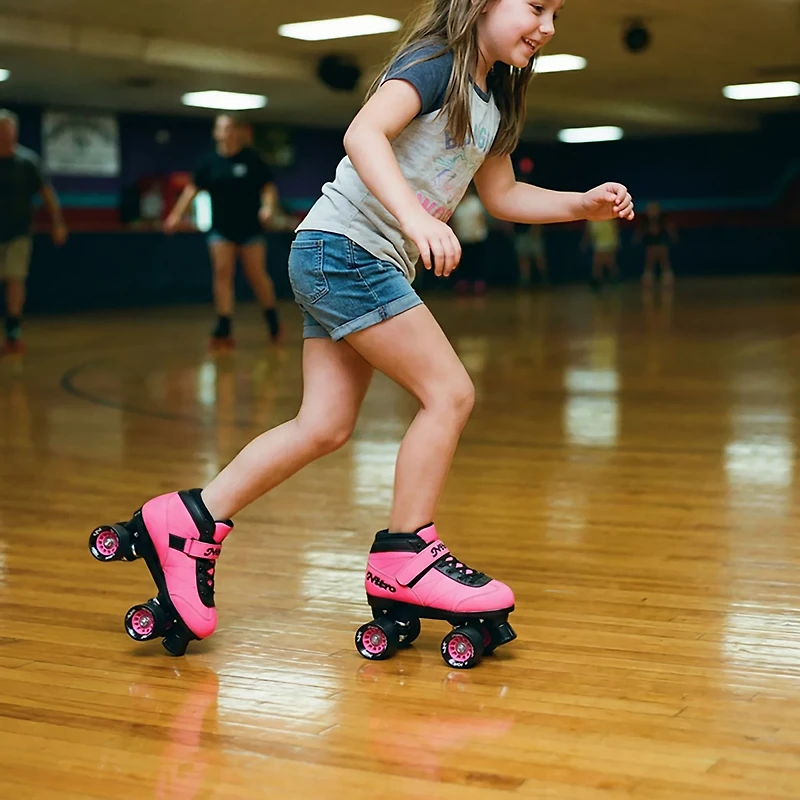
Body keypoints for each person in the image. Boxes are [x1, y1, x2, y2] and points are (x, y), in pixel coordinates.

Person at [89, 0, 634, 659]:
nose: (547, 25)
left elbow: (502, 196)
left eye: (557, 13)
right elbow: (363, 135)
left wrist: (582, 204)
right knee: (450, 393)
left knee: (323, 426)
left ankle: (187, 519)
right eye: (536, 5)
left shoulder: (494, 99)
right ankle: (407, 555)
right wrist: (417, 218)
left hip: (336, 254)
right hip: (346, 251)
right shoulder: (436, 61)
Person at [164, 114, 282, 351]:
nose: (226, 133)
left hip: (250, 229)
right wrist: (176, 215)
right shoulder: (208, 163)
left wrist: (268, 208)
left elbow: (268, 188)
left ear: (236, 132)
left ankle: (271, 317)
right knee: (222, 273)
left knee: (256, 275)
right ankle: (224, 324)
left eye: (230, 128)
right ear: (216, 133)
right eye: (221, 129)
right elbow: (191, 191)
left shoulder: (252, 160)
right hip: (220, 229)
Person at [0, 109, 68, 355]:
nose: (6, 137)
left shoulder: (27, 162)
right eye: (2, 132)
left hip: (18, 231)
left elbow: (47, 193)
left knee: (15, 278)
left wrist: (57, 223)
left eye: (9, 132)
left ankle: (13, 330)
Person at [449, 183, 489, 294]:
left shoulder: (475, 203)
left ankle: (478, 284)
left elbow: (481, 219)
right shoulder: (457, 204)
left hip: (476, 238)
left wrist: (476, 233)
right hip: (462, 239)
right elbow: (454, 222)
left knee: (477, 262)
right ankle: (463, 284)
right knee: (464, 263)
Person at [637, 201, 677, 287]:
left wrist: (673, 237)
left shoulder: (663, 220)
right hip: (651, 244)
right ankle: (648, 278)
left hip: (661, 243)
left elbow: (670, 229)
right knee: (649, 261)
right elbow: (640, 232)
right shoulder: (645, 221)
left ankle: (667, 278)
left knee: (664, 261)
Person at [582, 218, 620, 290]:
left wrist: (616, 243)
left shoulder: (610, 218)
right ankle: (598, 283)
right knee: (599, 264)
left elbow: (615, 230)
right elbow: (588, 233)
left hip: (609, 243)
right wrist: (585, 243)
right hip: (598, 244)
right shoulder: (591, 220)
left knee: (609, 264)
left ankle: (612, 280)